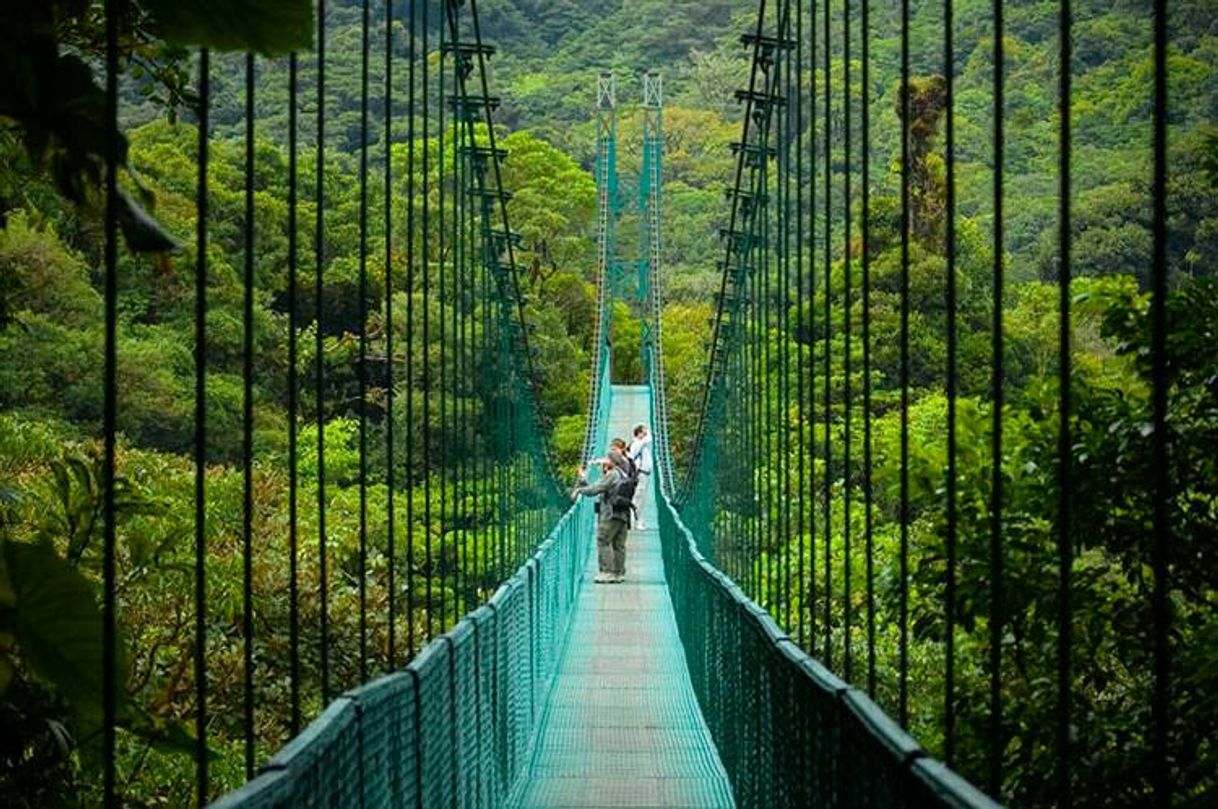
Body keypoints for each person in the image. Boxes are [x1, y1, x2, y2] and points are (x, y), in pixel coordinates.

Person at [571, 448, 632, 583]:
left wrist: (579, 490)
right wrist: (583, 479)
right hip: (623, 514)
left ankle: (607, 572)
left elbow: (595, 489)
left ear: (612, 461)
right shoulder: (623, 473)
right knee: (618, 545)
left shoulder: (612, 475)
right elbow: (599, 487)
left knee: (603, 541)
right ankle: (619, 573)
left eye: (607, 458)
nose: (604, 461)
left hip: (610, 514)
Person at [627, 424, 654, 530]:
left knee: (639, 499)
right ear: (639, 434)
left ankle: (635, 521)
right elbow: (650, 438)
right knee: (638, 499)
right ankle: (636, 522)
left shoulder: (641, 444)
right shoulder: (638, 443)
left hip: (644, 474)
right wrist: (649, 430)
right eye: (644, 432)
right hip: (641, 474)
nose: (646, 434)